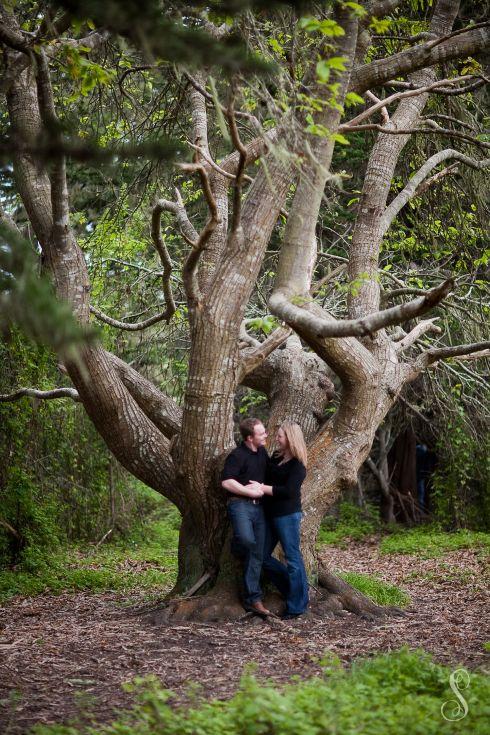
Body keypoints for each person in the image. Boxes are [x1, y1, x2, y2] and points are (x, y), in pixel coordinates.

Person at [258, 422, 309, 619]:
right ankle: (294, 590)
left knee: (293, 559)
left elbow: (289, 491)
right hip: (269, 514)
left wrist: (264, 488)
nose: (277, 439)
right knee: (261, 557)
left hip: (287, 516)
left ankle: (296, 606)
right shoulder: (276, 457)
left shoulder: (298, 464)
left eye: (280, 436)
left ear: (290, 439)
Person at [221, 417, 270, 616]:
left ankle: (253, 599)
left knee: (257, 552)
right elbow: (226, 482)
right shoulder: (237, 455)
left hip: (260, 509)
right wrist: (248, 492)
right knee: (247, 541)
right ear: (250, 438)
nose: (266, 435)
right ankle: (236, 547)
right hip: (240, 504)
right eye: (261, 433)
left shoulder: (263, 452)